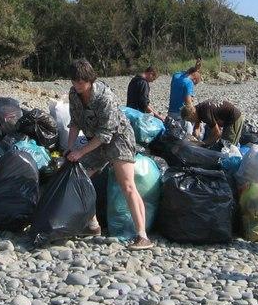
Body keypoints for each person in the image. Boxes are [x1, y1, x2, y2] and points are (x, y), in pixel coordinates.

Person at [65, 59, 153, 250]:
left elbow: (106, 134)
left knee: (127, 185)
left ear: (89, 79)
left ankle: (142, 235)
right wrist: (70, 148)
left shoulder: (105, 97)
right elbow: (75, 123)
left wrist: (80, 151)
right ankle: (93, 225)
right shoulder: (74, 94)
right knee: (79, 178)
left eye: (81, 81)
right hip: (94, 140)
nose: (77, 85)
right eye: (74, 81)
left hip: (118, 138)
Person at [168, 58, 202, 130]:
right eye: (195, 83)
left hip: (171, 112)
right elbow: (188, 103)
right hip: (181, 115)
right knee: (188, 137)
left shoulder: (176, 76)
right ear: (194, 79)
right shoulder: (189, 83)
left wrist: (196, 69)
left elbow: (188, 72)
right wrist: (196, 117)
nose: (194, 85)